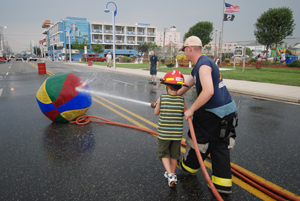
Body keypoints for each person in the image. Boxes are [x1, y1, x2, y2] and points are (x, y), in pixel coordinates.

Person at [176, 36, 237, 194]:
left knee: (199, 139)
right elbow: (186, 85)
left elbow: (208, 91)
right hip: (228, 113)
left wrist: (190, 110)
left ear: (190, 48)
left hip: (213, 114)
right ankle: (222, 186)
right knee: (220, 145)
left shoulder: (202, 65)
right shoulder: (202, 64)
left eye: (184, 51)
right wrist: (172, 94)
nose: (184, 54)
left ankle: (189, 166)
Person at [152, 70, 187, 187]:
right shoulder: (182, 100)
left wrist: (157, 104)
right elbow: (184, 113)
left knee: (163, 154)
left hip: (164, 134)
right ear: (180, 87)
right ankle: (173, 174)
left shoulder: (161, 98)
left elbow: (156, 113)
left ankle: (170, 174)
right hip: (177, 135)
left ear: (167, 86)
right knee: (174, 155)